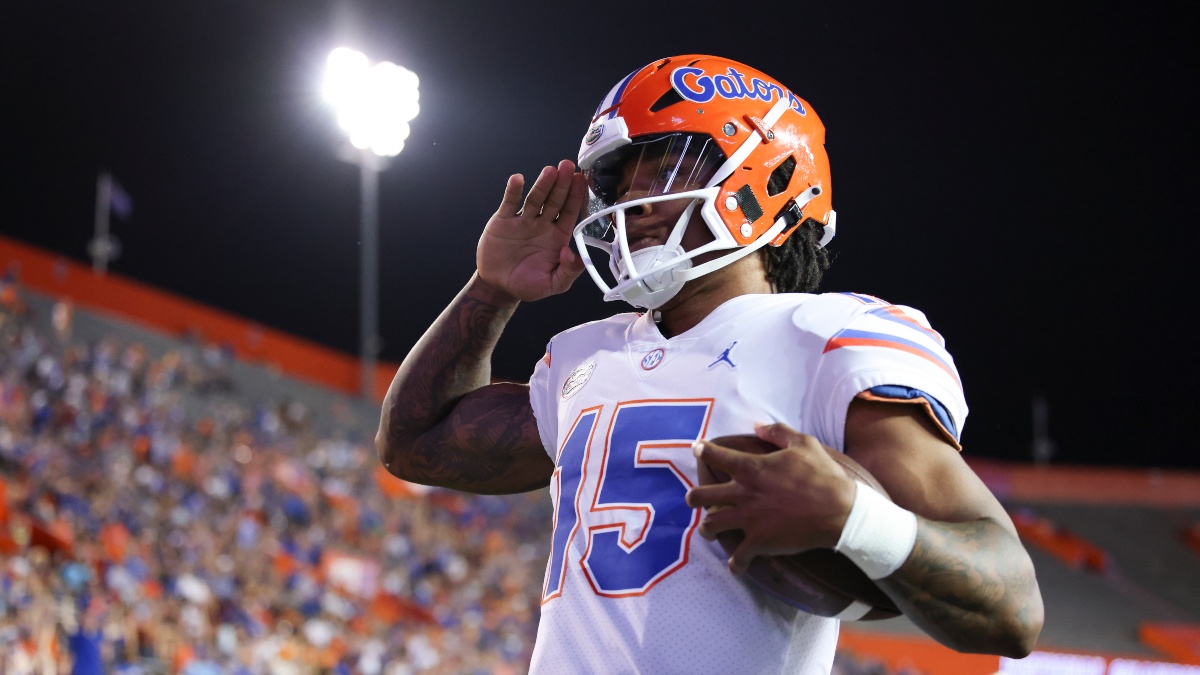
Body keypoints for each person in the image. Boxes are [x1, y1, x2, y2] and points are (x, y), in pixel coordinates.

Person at [377, 55, 1043, 674]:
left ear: (772, 178)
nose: (631, 200)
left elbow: (1014, 608)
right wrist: (492, 291)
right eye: (623, 180)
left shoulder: (828, 337)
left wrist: (853, 518)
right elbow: (414, 445)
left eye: (667, 168)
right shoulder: (590, 352)